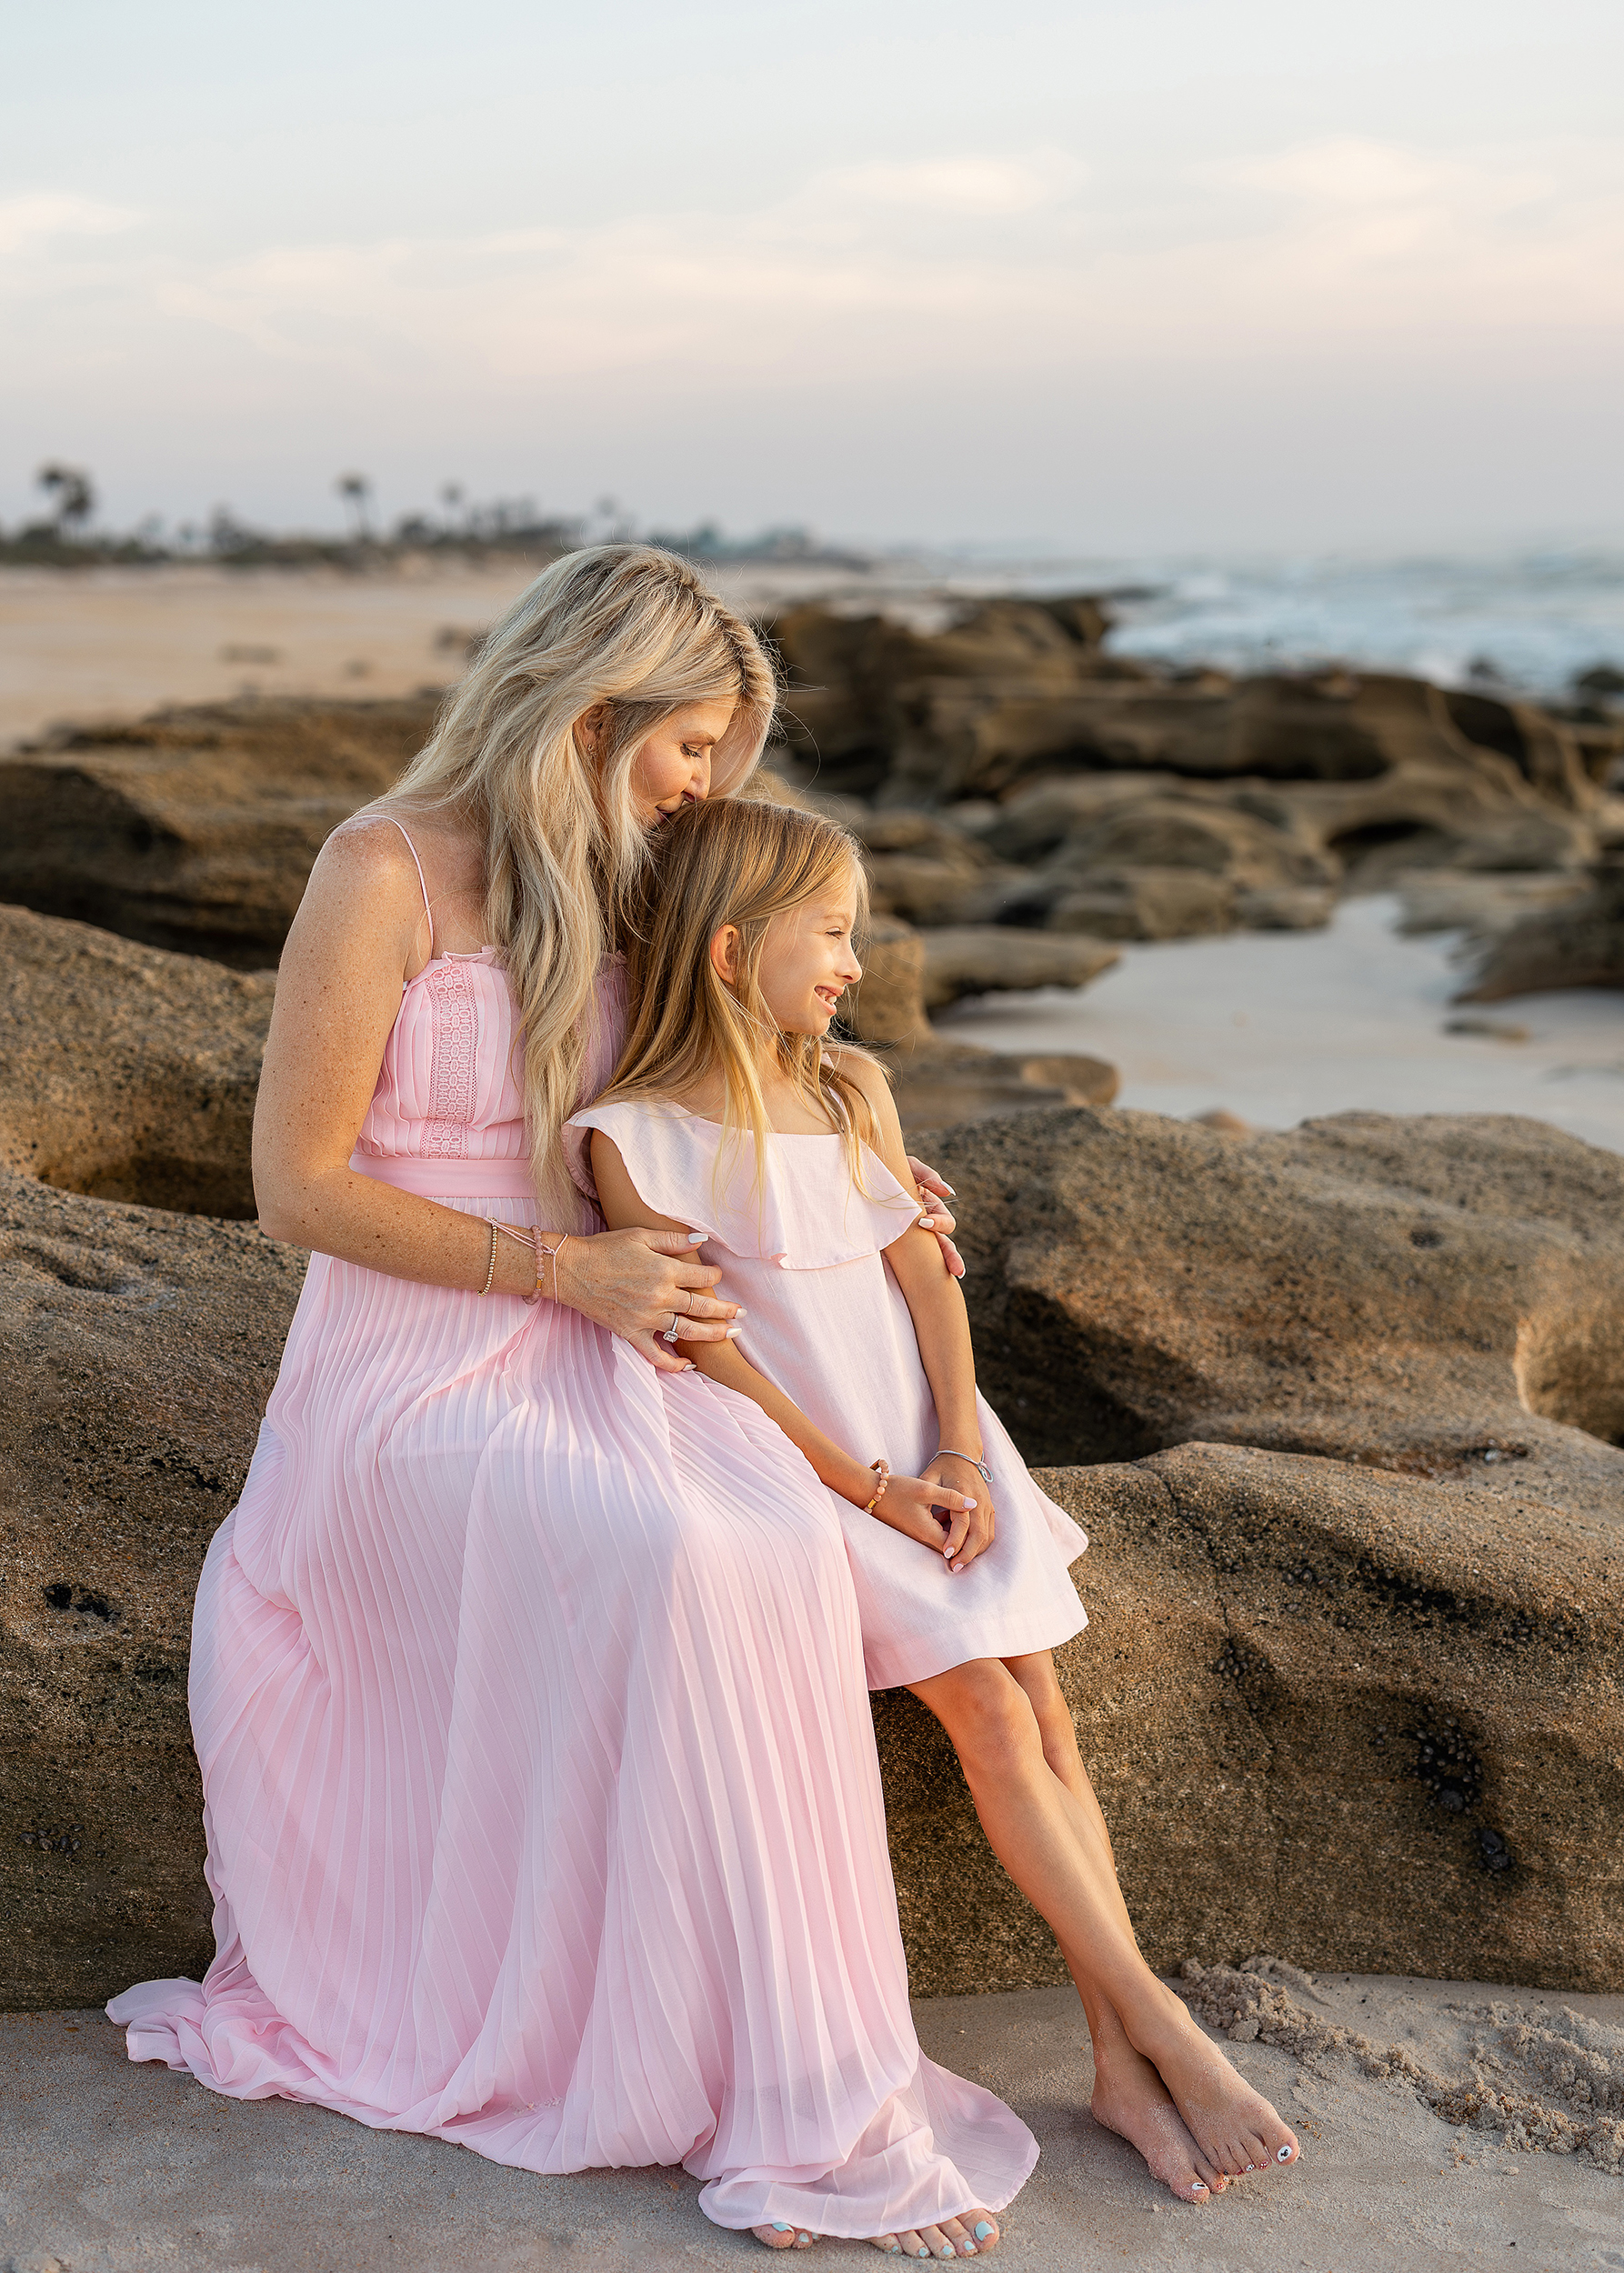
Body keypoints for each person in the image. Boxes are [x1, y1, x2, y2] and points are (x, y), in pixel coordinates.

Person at [106, 547, 1032, 2259]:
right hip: (416, 1343)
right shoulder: (380, 867)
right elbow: (294, 1188)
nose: (705, 790)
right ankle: (604, 2042)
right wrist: (561, 1279)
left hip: (626, 1312)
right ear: (594, 710)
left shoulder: (641, 879)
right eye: (691, 749)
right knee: (662, 1552)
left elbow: (745, 1067)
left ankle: (777, 2070)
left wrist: (869, 1177)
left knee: (768, 1543)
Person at [571, 796, 1302, 2208]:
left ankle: (1115, 2053)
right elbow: (709, 1352)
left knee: (1044, 1703)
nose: (854, 959)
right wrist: (872, 1489)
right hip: (817, 1473)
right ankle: (1160, 2024)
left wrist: (960, 1456)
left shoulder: (850, 1089)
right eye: (831, 932)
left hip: (940, 1448)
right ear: (728, 952)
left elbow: (926, 1289)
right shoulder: (631, 1137)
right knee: (984, 1707)